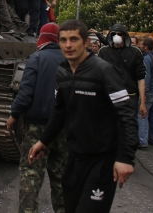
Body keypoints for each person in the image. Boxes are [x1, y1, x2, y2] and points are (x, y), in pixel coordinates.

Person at [29, 20, 138, 213]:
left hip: (101, 162)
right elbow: (60, 112)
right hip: (74, 159)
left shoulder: (104, 71)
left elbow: (127, 114)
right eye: (63, 40)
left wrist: (126, 158)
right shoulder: (62, 71)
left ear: (87, 42)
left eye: (74, 39)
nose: (68, 45)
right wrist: (43, 141)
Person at [7, 23, 68, 213]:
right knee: (61, 178)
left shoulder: (37, 58)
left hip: (38, 128)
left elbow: (26, 93)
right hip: (65, 128)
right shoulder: (71, 60)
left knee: (31, 174)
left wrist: (13, 115)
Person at [98, 24, 147, 122]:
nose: (117, 36)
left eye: (120, 34)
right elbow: (98, 77)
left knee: (129, 128)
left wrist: (142, 102)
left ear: (124, 35)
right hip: (109, 97)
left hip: (130, 97)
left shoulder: (135, 52)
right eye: (114, 34)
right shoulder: (104, 52)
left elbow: (141, 78)